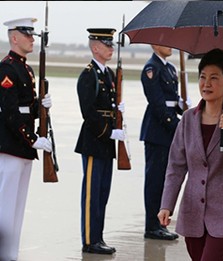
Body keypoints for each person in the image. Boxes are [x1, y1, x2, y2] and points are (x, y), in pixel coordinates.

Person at [158, 48, 223, 261]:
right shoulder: (187, 120)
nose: (206, 84)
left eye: (214, 78)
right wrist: (167, 204)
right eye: (203, 77)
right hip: (193, 212)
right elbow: (175, 166)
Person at [0, 18, 53, 260]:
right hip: (11, 146)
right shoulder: (7, 68)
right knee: (5, 208)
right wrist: (32, 138)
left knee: (18, 208)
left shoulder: (26, 69)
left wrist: (40, 107)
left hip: (23, 148)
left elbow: (25, 109)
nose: (32, 39)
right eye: (27, 34)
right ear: (14, 38)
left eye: (32, 35)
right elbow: (10, 113)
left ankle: (11, 255)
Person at [75, 28, 125, 255]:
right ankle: (89, 240)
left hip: (106, 142)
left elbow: (108, 106)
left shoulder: (109, 74)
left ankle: (98, 237)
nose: (111, 48)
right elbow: (88, 112)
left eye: (112, 44)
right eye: (107, 44)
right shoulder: (89, 75)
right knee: (92, 194)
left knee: (103, 193)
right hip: (95, 140)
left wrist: (118, 113)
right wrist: (109, 133)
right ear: (95, 47)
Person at [140, 45, 189, 240]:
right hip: (158, 130)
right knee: (155, 180)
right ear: (154, 45)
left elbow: (173, 99)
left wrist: (184, 108)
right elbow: (158, 104)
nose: (170, 47)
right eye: (165, 42)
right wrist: (178, 125)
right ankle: (152, 226)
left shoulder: (169, 68)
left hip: (168, 130)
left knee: (166, 179)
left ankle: (160, 223)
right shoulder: (151, 68)